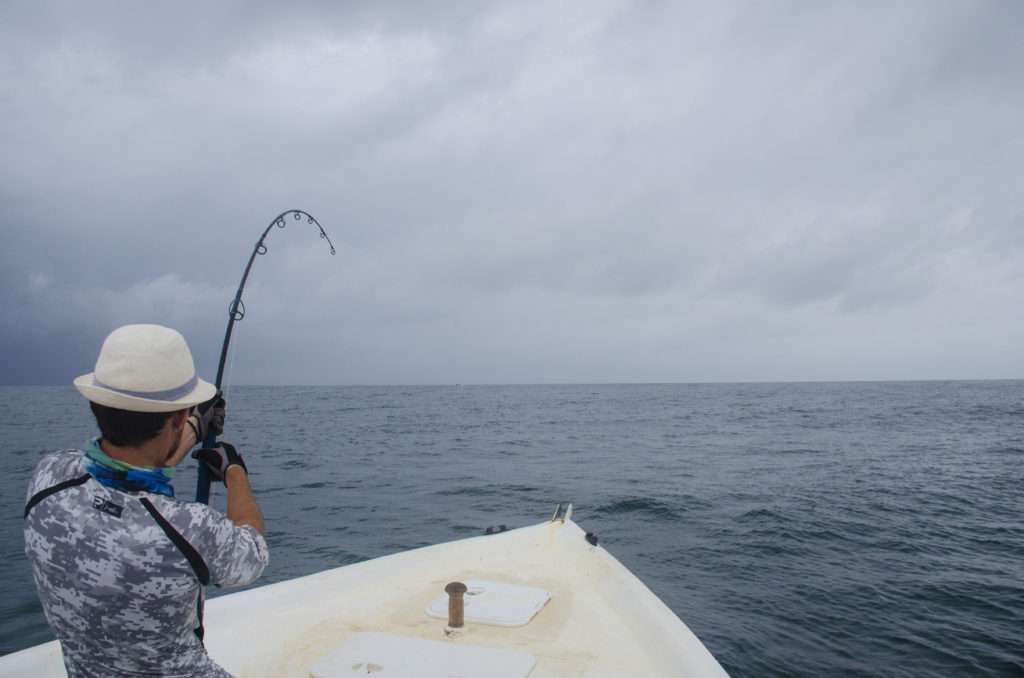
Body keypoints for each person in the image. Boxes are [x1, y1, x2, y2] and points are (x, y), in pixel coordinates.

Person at [23, 324, 269, 678]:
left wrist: (194, 428)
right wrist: (234, 470)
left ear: (98, 403)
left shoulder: (47, 477)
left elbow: (123, 469)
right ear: (178, 417)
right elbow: (253, 550)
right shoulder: (194, 529)